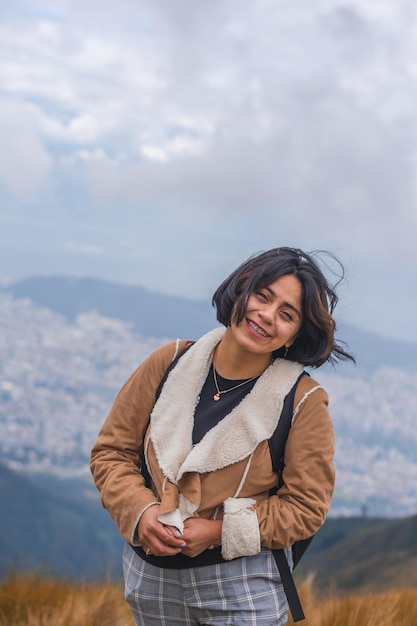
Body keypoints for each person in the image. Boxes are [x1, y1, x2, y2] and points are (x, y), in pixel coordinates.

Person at [90, 246, 355, 626]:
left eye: (286, 314)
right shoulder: (169, 361)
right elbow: (111, 452)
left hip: (243, 585)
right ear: (240, 289)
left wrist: (219, 532)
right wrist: (141, 511)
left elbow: (306, 508)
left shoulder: (303, 401)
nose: (266, 315)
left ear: (294, 336)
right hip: (151, 578)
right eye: (262, 296)